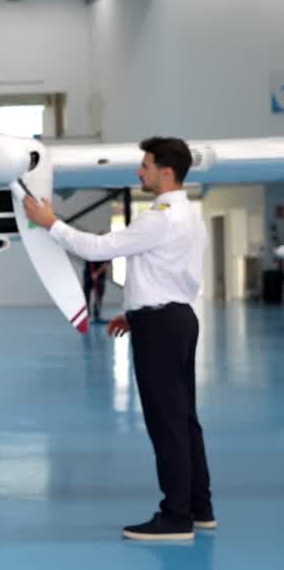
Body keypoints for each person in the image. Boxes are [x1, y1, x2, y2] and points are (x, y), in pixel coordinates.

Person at [24, 137, 212, 542]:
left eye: (145, 166)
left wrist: (49, 222)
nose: (138, 172)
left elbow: (97, 249)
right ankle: (200, 507)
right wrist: (137, 313)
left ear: (165, 171)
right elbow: (167, 273)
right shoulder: (189, 215)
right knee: (184, 420)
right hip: (175, 318)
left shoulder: (160, 217)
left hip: (163, 326)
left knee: (167, 422)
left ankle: (176, 517)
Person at [81, 253, 110, 324]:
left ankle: (97, 316)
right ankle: (86, 316)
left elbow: (106, 263)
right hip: (88, 275)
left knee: (98, 296)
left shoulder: (105, 251)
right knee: (86, 296)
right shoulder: (88, 249)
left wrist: (97, 273)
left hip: (99, 277)